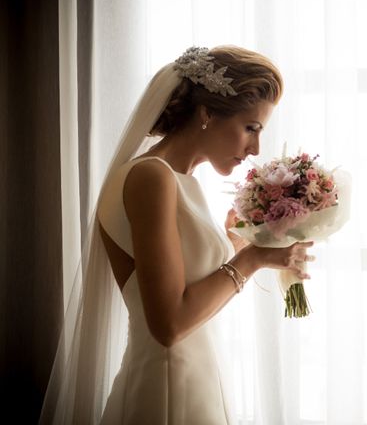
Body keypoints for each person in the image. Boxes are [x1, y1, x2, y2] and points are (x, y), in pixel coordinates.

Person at [39, 45, 314, 424]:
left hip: (196, 380)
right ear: (206, 114)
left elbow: (189, 285)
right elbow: (168, 324)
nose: (255, 148)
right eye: (250, 128)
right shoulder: (152, 177)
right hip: (169, 392)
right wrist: (251, 259)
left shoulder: (180, 181)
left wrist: (245, 242)